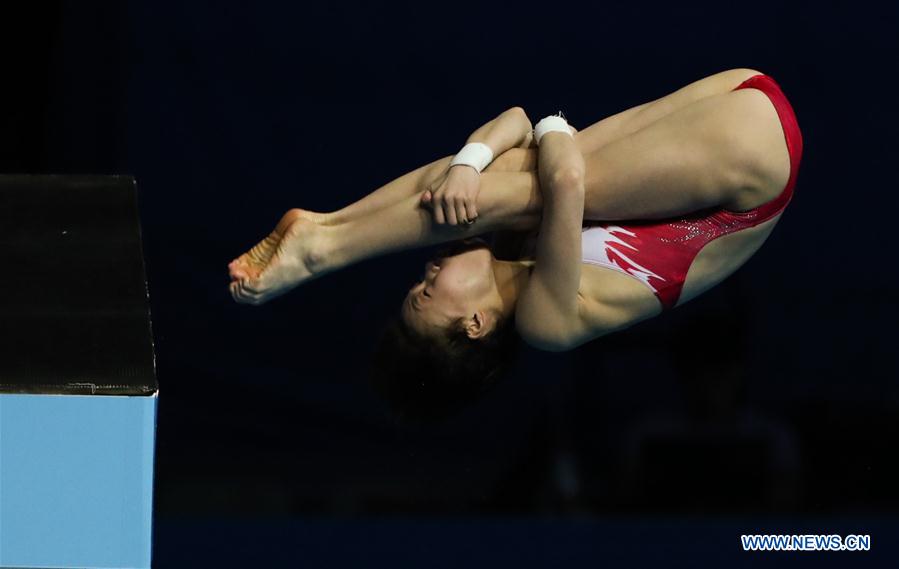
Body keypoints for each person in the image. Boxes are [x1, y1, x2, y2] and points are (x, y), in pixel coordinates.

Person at [228, 68, 803, 423]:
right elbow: (565, 174)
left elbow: (516, 121)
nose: (428, 270)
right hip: (753, 168)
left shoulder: (513, 246)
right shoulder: (544, 324)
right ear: (475, 324)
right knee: (506, 193)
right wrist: (552, 128)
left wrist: (468, 162)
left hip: (737, 91)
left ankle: (328, 225)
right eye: (426, 293)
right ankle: (322, 249)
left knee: (476, 183)